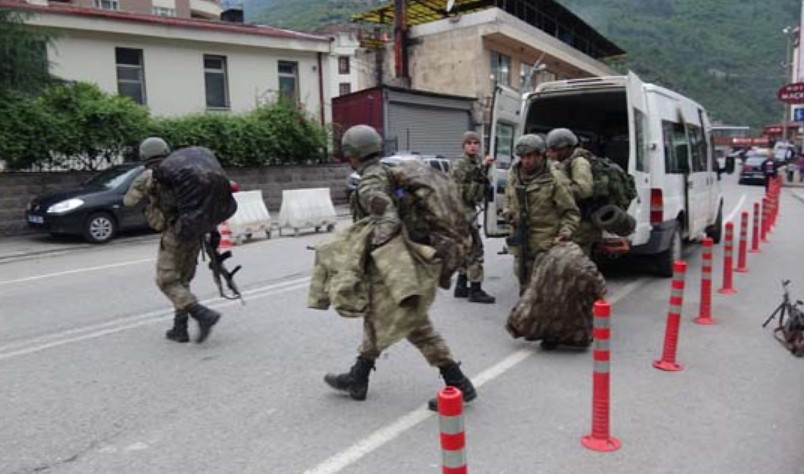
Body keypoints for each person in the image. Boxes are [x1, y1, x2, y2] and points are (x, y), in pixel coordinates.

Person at [323, 125, 476, 411]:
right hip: (395, 259)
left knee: (414, 324)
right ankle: (359, 376)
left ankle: (458, 383)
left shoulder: (369, 183)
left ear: (352, 155)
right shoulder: (384, 173)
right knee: (374, 313)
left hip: (394, 262)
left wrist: (367, 247)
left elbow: (388, 220)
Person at [124, 137, 221, 344]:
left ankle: (202, 314)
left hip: (174, 233)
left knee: (167, 281)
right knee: (183, 280)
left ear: (144, 156)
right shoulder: (187, 171)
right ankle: (180, 328)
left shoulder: (150, 175)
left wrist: (147, 193)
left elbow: (128, 201)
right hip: (195, 230)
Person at [504, 134, 580, 293]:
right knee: (523, 280)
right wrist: (507, 212)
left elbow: (570, 212)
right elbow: (508, 198)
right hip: (521, 240)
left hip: (545, 243)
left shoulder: (555, 179)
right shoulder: (514, 175)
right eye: (522, 157)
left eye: (530, 156)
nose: (526, 161)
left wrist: (565, 233)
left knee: (544, 288)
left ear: (541, 155)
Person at [449, 131, 495, 304]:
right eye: (469, 143)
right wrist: (482, 170)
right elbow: (464, 192)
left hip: (466, 211)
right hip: (462, 213)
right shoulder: (460, 164)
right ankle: (475, 289)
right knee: (475, 251)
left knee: (465, 251)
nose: (473, 146)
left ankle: (461, 286)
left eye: (476, 143)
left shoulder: (473, 162)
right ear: (463, 146)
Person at [545, 128, 598, 255]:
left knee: (577, 264)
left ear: (566, 148)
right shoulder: (563, 163)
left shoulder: (579, 162)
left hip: (582, 225)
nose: (552, 153)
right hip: (572, 223)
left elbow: (584, 190)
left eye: (555, 149)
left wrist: (558, 190)